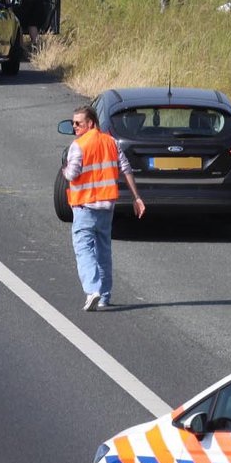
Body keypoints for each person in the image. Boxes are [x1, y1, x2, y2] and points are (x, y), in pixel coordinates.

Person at [62, 105, 144, 312]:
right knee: (103, 252)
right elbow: (125, 168)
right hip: (107, 207)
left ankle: (92, 289)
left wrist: (64, 170)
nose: (74, 127)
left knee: (84, 250)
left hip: (84, 207)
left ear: (91, 123)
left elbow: (72, 174)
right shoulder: (111, 142)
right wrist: (137, 197)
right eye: (73, 123)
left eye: (78, 123)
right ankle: (105, 295)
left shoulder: (78, 146)